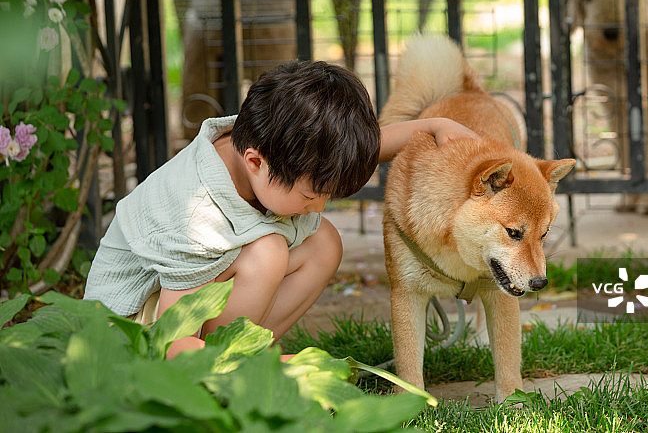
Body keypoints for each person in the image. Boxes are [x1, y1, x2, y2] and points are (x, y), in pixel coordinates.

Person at [84, 59, 478, 357]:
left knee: (323, 241)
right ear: (256, 162)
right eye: (311, 195)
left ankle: (244, 354)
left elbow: (355, 152)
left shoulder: (269, 141)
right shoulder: (195, 214)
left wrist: (435, 127)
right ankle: (223, 369)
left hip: (178, 307)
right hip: (126, 336)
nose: (320, 204)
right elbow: (173, 335)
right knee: (269, 251)